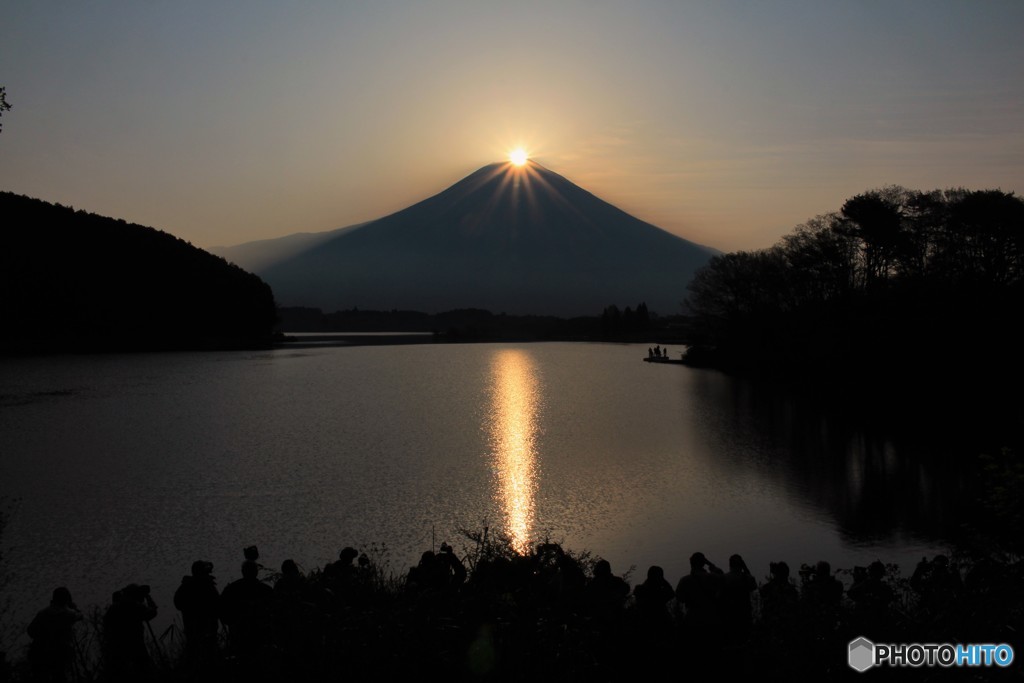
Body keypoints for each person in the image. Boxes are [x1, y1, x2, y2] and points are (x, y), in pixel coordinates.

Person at [102, 583, 158, 682]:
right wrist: (148, 598)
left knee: (118, 671)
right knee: (143, 668)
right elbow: (152, 613)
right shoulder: (135, 606)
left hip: (116, 645)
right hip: (135, 643)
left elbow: (106, 623)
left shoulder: (114, 607)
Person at [27, 586, 83, 683]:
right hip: (60, 654)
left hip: (40, 653)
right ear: (66, 600)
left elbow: (30, 631)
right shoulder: (68, 614)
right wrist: (73, 607)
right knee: (60, 677)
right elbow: (80, 615)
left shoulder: (42, 613)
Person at [173, 560, 220, 668]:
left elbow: (177, 603)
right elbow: (218, 604)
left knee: (193, 653)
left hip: (191, 627)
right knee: (209, 655)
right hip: (208, 627)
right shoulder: (208, 585)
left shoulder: (185, 586)